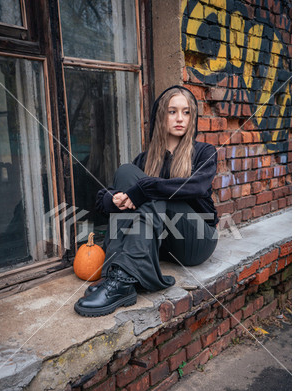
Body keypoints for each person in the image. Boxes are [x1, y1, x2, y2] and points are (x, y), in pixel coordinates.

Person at [74, 85, 219, 317]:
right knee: (125, 171)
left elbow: (197, 186)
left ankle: (122, 279)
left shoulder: (204, 152)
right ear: (160, 116)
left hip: (196, 238)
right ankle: (120, 277)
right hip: (162, 244)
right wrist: (116, 200)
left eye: (186, 112)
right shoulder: (144, 159)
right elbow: (103, 202)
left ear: (193, 117)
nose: (180, 118)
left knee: (149, 191)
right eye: (172, 112)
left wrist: (143, 189)